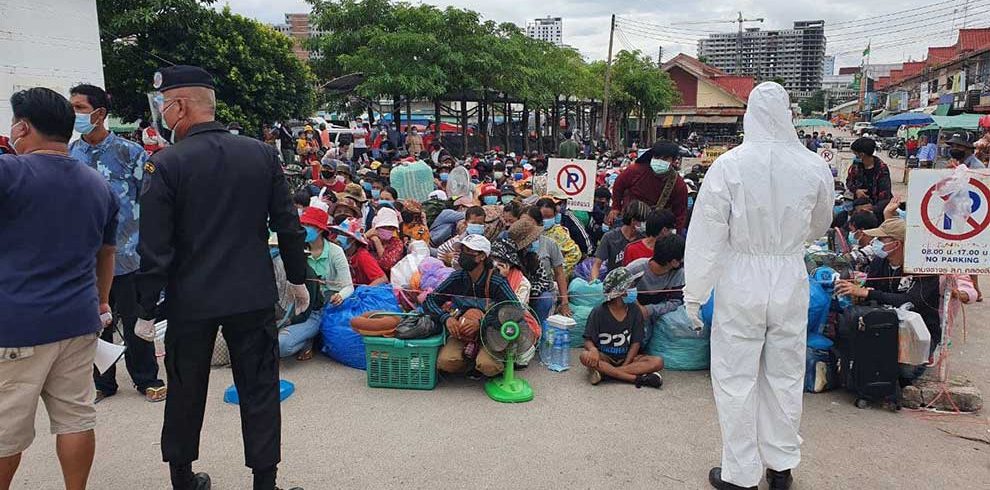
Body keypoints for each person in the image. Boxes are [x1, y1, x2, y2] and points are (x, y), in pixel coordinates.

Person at [134, 66, 310, 490]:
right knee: (260, 389)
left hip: (190, 300)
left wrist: (143, 310)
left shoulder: (165, 164)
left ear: (178, 106)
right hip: (250, 293)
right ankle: (265, 482)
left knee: (185, 389)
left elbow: (155, 249)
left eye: (163, 105)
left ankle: (182, 478)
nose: (162, 113)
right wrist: (298, 279)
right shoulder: (261, 154)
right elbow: (288, 225)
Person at [683, 82, 833, 490]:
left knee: (736, 378)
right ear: (788, 112)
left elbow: (706, 235)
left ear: (749, 113)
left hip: (741, 277)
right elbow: (820, 224)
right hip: (788, 273)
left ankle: (740, 473)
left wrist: (695, 294)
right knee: (784, 373)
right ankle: (780, 466)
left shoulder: (729, 165)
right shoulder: (814, 165)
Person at [0, 87, 118, 490]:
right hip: (79, 319)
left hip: (17, 324)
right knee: (76, 418)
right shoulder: (98, 185)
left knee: (4, 430)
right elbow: (106, 255)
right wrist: (102, 302)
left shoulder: (9, 173)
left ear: (23, 126)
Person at [68, 83, 166, 403]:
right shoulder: (70, 154)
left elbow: (149, 201)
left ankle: (146, 378)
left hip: (129, 256)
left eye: (80, 108)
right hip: (87, 259)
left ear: (100, 113)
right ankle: (103, 382)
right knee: (96, 323)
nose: (74, 114)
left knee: (136, 318)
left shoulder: (129, 152)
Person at [835, 218, 941, 364]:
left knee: (905, 372)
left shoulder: (923, 269)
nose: (875, 243)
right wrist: (856, 291)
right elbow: (871, 288)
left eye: (880, 239)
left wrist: (867, 293)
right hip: (885, 324)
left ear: (896, 243)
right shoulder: (880, 261)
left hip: (917, 332)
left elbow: (910, 301)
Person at [425, 235, 519, 377]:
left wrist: (482, 323)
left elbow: (515, 310)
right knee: (445, 363)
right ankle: (471, 362)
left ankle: (491, 360)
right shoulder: (457, 278)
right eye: (462, 250)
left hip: (491, 333)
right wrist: (446, 318)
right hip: (463, 332)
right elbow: (430, 300)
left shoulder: (496, 282)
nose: (463, 255)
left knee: (488, 366)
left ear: (482, 257)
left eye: (468, 251)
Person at [279, 205, 353, 360]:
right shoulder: (296, 251)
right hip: (298, 307)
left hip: (322, 308)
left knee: (282, 345)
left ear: (319, 230)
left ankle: (310, 338)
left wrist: (340, 295)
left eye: (307, 225)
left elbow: (348, 285)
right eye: (302, 225)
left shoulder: (335, 251)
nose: (302, 229)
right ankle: (309, 336)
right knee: (271, 341)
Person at [579, 267, 664, 388]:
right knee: (584, 356)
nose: (631, 289)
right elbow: (588, 339)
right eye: (628, 287)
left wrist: (626, 363)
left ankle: (607, 374)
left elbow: (636, 342)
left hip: (627, 358)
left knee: (658, 362)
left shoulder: (635, 311)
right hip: (605, 357)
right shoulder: (598, 312)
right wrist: (593, 351)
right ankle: (636, 379)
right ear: (619, 292)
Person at [608, 140, 689, 231]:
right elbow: (618, 185)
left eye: (665, 159)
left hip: (656, 229)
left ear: (673, 161)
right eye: (657, 157)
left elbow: (680, 213)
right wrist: (615, 207)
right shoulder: (635, 170)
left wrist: (675, 234)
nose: (659, 161)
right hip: (629, 222)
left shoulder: (678, 184)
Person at [508, 215, 571, 321]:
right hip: (518, 295)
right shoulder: (511, 257)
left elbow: (559, 273)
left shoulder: (549, 244)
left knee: (545, 299)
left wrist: (564, 302)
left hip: (541, 294)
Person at [626, 234, 686, 321]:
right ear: (674, 262)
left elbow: (676, 302)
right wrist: (638, 307)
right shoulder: (635, 268)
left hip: (659, 316)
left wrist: (649, 310)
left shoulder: (678, 273)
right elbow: (619, 291)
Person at [590, 199, 649, 281]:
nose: (645, 225)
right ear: (633, 221)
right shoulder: (610, 237)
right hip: (614, 285)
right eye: (643, 221)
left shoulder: (645, 239)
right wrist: (594, 283)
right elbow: (596, 265)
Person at [331, 217, 388, 287]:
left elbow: (382, 279)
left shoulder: (362, 256)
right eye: (339, 233)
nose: (338, 238)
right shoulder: (343, 254)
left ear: (353, 239)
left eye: (343, 235)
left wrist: (361, 292)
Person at [535, 198, 582, 279]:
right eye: (543, 217)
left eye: (549, 217)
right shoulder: (531, 231)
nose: (546, 220)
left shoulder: (559, 233)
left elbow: (575, 254)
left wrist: (556, 272)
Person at [846, 137, 892, 208]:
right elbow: (849, 182)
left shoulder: (881, 169)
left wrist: (872, 209)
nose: (855, 157)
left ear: (862, 155)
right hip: (858, 206)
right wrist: (856, 191)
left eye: (856, 154)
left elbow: (885, 195)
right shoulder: (856, 166)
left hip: (876, 208)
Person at [365, 207, 405, 273]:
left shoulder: (397, 243)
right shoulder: (369, 241)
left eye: (392, 228)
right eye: (385, 227)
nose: (388, 230)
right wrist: (365, 235)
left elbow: (386, 265)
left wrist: (377, 242)